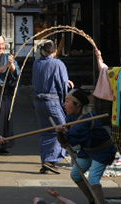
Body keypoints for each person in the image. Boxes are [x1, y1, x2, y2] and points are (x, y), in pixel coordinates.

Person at [56, 89, 116, 204]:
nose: (64, 104)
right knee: (75, 175)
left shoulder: (85, 120)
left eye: (67, 101)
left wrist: (60, 134)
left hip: (102, 150)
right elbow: (68, 131)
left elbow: (67, 141)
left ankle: (99, 202)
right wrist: (64, 131)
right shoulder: (73, 115)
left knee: (93, 179)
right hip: (87, 149)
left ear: (77, 104)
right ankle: (93, 200)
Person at [32, 40, 68, 174]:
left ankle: (45, 160)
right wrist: (65, 101)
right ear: (54, 51)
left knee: (45, 130)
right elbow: (62, 84)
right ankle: (50, 160)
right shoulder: (57, 63)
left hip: (38, 101)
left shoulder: (36, 63)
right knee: (61, 129)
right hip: (52, 101)